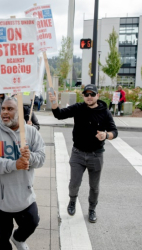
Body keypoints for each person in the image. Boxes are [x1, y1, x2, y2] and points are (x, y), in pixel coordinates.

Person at [0, 96, 45, 250]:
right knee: (2, 239)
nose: (4, 112)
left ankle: (18, 238)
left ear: (20, 112)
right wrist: (14, 164)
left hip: (25, 195)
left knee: (32, 222)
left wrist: (30, 158)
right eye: (3, 108)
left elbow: (41, 158)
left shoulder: (31, 133)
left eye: (10, 109)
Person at [49, 84, 118, 223]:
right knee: (74, 183)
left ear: (97, 96)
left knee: (94, 187)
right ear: (83, 96)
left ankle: (92, 209)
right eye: (86, 94)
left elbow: (114, 132)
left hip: (96, 155)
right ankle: (72, 201)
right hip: (78, 154)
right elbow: (59, 115)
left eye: (92, 94)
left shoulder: (104, 112)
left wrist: (105, 135)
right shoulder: (78, 108)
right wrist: (54, 103)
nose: (89, 97)